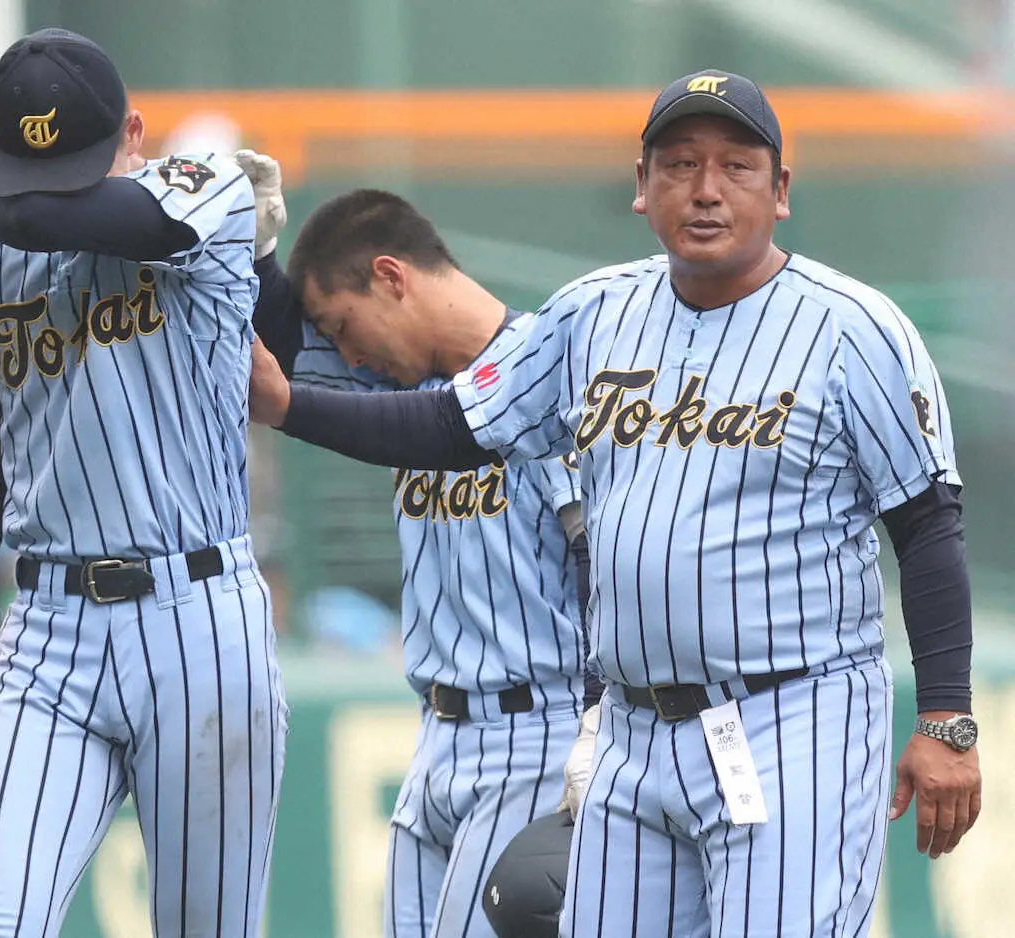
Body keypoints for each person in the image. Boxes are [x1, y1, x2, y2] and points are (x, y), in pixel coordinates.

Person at [247, 69, 981, 938]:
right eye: (679, 164)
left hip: (791, 715)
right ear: (642, 186)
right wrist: (290, 405)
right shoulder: (592, 315)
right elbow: (451, 424)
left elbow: (926, 524)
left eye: (736, 166)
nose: (706, 189)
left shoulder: (853, 330)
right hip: (632, 733)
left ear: (780, 191)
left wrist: (946, 718)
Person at [0, 27, 286, 938]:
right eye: (22, 174)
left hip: (199, 616)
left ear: (133, 134)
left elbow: (90, 218)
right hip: (50, 628)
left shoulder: (204, 188)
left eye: (65, 166)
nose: (37, 196)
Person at [238, 155, 600, 938]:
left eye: (347, 326)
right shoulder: (398, 389)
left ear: (393, 277)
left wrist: (604, 720)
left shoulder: (547, 367)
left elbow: (593, 565)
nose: (350, 355)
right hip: (437, 736)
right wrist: (260, 258)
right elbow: (278, 358)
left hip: (538, 730)